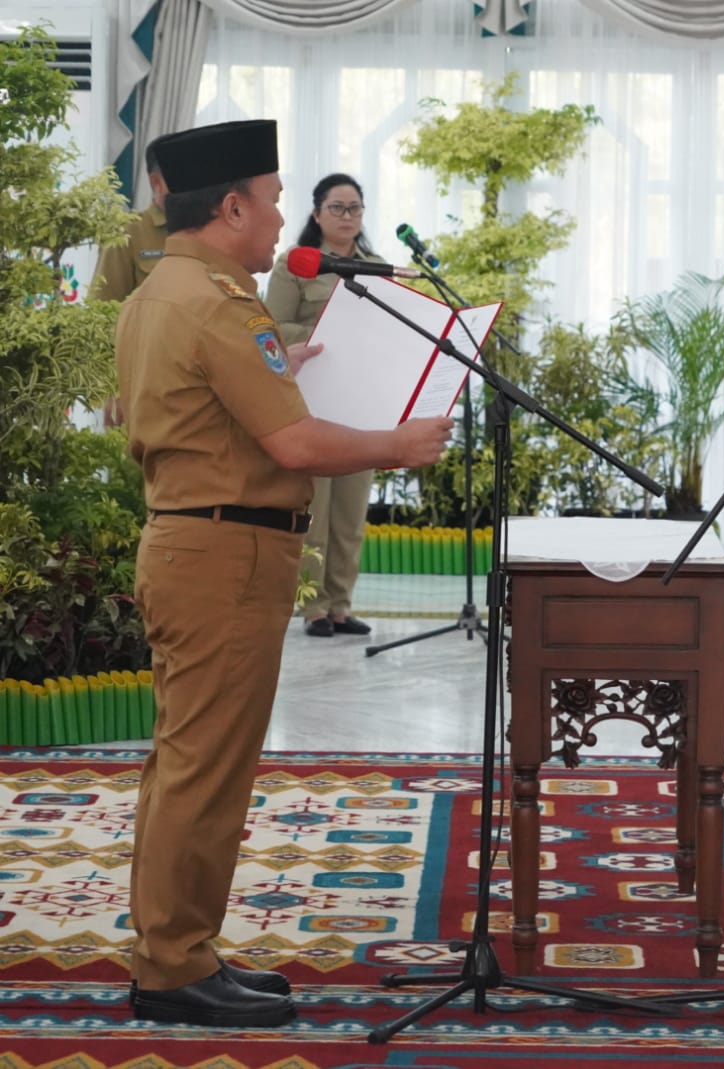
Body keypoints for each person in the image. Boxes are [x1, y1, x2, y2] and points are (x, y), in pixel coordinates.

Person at [117, 120, 453, 1027]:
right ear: (229, 207)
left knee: (185, 760)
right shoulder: (219, 303)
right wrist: (401, 442)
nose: (278, 218)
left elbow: (218, 407)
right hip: (223, 553)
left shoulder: (167, 292)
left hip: (198, 541)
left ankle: (176, 947)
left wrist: (287, 364)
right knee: (204, 765)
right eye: (269, 199)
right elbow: (294, 441)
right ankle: (173, 965)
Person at [264, 173, 384, 637]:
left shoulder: (377, 267)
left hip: (359, 402)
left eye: (355, 208)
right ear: (316, 214)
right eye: (337, 207)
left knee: (351, 512)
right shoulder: (294, 265)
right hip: (310, 398)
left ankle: (340, 605)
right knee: (315, 511)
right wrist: (326, 336)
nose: (347, 216)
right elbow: (271, 327)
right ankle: (313, 608)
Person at [92, 134, 176, 426]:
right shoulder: (129, 232)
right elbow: (101, 314)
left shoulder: (206, 233)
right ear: (156, 183)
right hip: (142, 386)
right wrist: (112, 389)